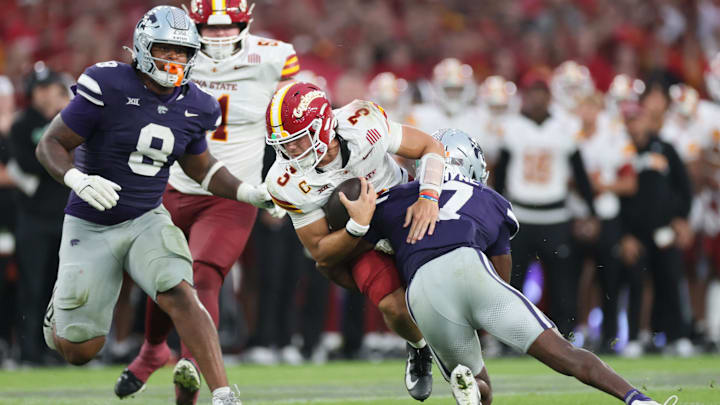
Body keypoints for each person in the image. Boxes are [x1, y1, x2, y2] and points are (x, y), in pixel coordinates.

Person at [36, 6, 273, 405]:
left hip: (147, 217)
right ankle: (57, 314)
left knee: (181, 291)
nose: (174, 60)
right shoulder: (107, 83)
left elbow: (203, 169)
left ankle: (222, 393)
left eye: (182, 53)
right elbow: (50, 144)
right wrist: (77, 178)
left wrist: (249, 192)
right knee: (80, 350)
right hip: (90, 222)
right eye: (166, 50)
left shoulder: (197, 104)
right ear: (145, 48)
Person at [342, 128, 673, 405]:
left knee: (479, 383)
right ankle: (636, 399)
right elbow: (503, 270)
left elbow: (354, 245)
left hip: (423, 291)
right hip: (470, 268)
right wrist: (487, 317)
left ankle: (471, 385)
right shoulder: (490, 199)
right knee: (567, 354)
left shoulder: (396, 198)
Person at [115, 1, 295, 402]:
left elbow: (292, 124)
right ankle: (152, 350)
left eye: (227, 26)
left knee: (203, 274)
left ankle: (191, 370)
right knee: (164, 278)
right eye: (207, 28)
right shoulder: (171, 54)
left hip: (233, 192)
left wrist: (284, 185)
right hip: (172, 183)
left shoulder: (274, 57)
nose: (217, 35)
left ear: (246, 22)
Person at [264, 81, 444, 401]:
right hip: (353, 234)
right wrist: (358, 227)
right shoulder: (284, 181)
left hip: (400, 205)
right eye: (283, 143)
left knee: (449, 275)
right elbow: (319, 249)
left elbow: (431, 147)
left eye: (296, 140)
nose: (289, 151)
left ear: (322, 126)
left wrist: (429, 197)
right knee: (394, 307)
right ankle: (419, 349)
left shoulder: (363, 123)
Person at [493, 70, 599, 336]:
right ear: (525, 96)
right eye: (533, 92)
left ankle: (565, 334)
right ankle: (511, 335)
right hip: (521, 215)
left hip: (556, 215)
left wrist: (591, 210)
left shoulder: (564, 127)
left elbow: (580, 173)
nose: (537, 98)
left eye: (542, 92)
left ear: (549, 96)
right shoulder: (512, 128)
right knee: (512, 281)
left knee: (563, 281)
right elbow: (501, 174)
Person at [8, 62, 70, 365]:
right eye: (41, 89)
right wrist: (56, 157)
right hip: (33, 219)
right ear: (32, 92)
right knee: (31, 287)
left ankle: (57, 351)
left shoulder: (71, 120)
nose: (46, 96)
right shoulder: (22, 125)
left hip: (65, 217)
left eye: (51, 89)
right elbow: (29, 164)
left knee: (60, 289)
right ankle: (28, 350)